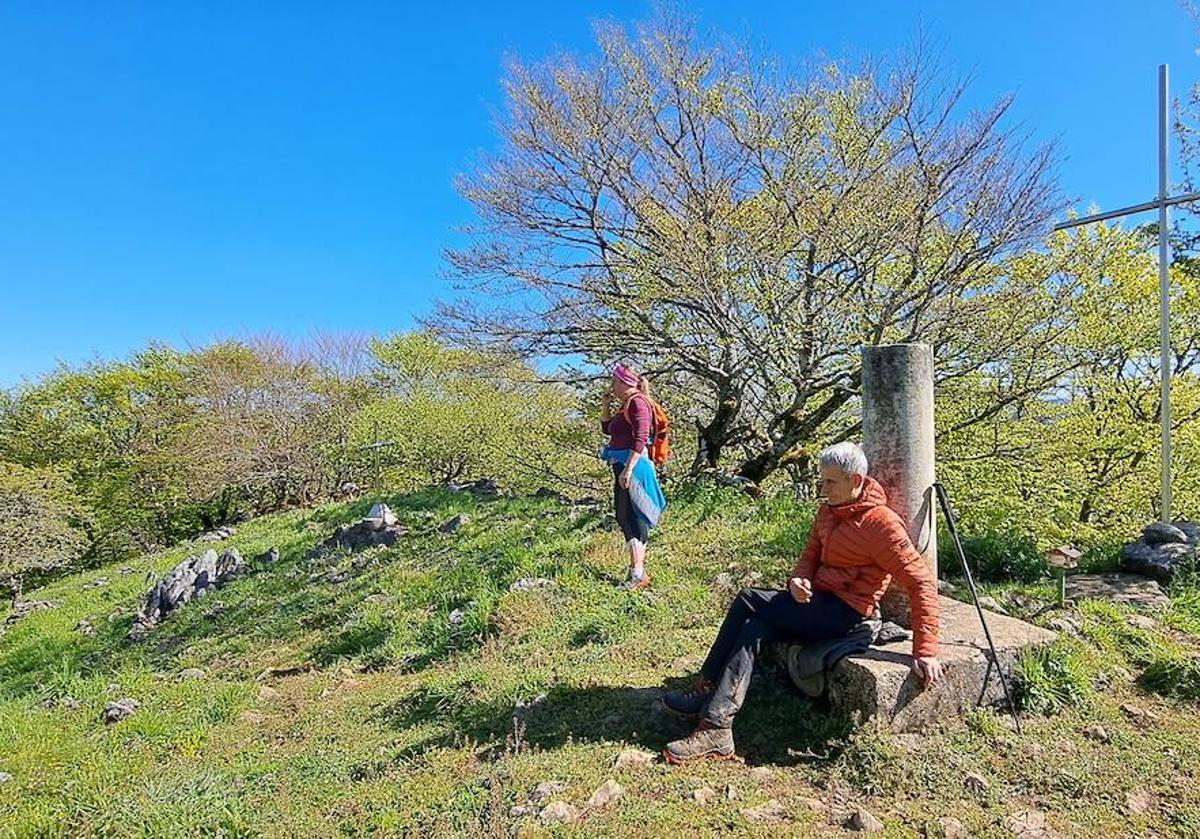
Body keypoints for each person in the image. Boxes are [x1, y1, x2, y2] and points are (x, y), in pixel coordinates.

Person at [661, 441, 943, 764]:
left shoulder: (881, 524)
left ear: (856, 481)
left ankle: (705, 688)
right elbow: (809, 556)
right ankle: (717, 726)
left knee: (748, 598)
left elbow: (920, 581)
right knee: (755, 626)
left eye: (830, 482)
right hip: (815, 603)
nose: (823, 489)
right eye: (822, 481)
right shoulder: (828, 512)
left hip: (845, 613)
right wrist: (798, 581)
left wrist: (926, 651)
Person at [600, 364, 667, 591]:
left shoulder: (638, 403)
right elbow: (607, 429)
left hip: (634, 467)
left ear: (624, 383)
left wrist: (628, 470)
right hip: (623, 465)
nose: (612, 387)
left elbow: (641, 437)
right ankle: (637, 571)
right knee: (625, 515)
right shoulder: (626, 405)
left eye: (614, 382)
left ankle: (638, 572)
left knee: (631, 516)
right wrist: (606, 405)